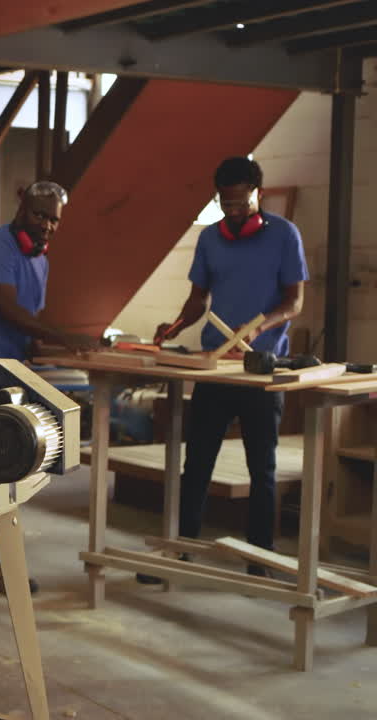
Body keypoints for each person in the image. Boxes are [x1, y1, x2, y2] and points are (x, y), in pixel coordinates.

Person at [141, 156, 307, 582]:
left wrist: (257, 329)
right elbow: (199, 300)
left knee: (262, 469)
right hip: (216, 368)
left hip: (261, 370)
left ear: (258, 194)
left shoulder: (285, 235)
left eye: (240, 205)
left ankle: (260, 562)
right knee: (196, 463)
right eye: (225, 205)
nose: (233, 213)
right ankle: (181, 553)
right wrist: (174, 326)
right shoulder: (211, 239)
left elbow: (294, 302)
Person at [0, 179, 100, 594]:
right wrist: (62, 335)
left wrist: (55, 347)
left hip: (9, 369)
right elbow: (6, 306)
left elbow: (25, 321)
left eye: (54, 220)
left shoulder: (40, 258)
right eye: (40, 215)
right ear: (22, 208)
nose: (47, 225)